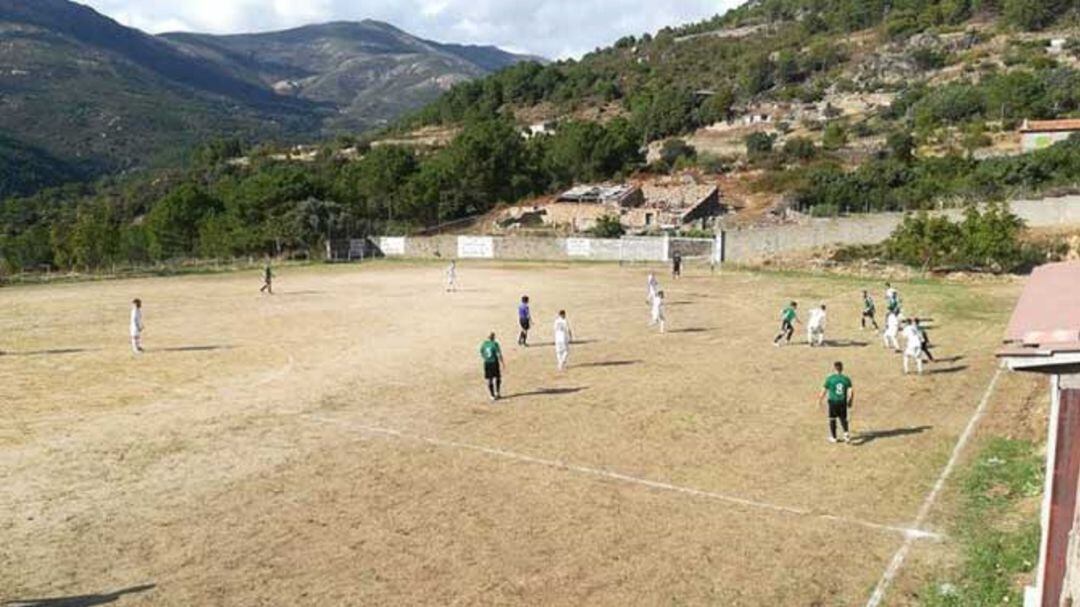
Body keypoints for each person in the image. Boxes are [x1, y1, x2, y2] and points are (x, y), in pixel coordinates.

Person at [819, 361, 854, 444]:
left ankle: (834, 437)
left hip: (833, 402)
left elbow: (824, 390)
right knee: (843, 418)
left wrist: (820, 399)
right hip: (842, 401)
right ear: (842, 368)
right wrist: (850, 401)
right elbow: (851, 391)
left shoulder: (830, 379)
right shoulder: (846, 379)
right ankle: (846, 434)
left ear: (834, 368)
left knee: (832, 419)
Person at [480, 332, 505, 401]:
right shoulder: (495, 344)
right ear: (494, 337)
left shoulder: (484, 344)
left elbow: (481, 351)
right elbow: (499, 354)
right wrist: (502, 362)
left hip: (487, 363)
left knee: (489, 379)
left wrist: (485, 357)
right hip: (494, 362)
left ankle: (492, 395)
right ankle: (497, 392)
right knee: (498, 377)